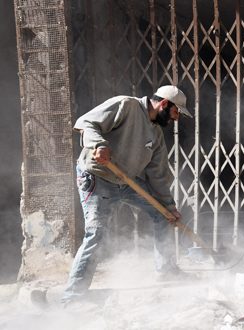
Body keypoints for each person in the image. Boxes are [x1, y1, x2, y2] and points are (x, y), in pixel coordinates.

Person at [61, 85, 193, 303]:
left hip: (126, 181)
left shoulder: (156, 134)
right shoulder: (126, 105)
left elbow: (158, 174)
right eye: (176, 112)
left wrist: (169, 207)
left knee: (162, 216)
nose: (176, 118)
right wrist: (99, 145)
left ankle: (166, 269)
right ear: (164, 104)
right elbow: (86, 123)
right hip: (98, 177)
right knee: (96, 234)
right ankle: (72, 298)